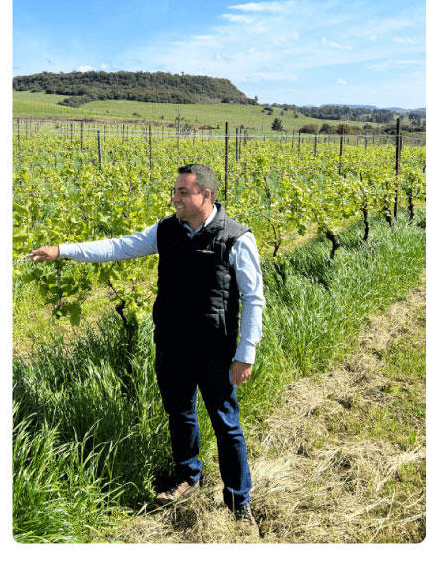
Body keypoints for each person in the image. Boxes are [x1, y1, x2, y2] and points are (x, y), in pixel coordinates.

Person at [30, 163, 264, 532]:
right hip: (171, 344)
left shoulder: (235, 238)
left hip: (215, 350)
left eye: (183, 192)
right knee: (179, 413)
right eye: (175, 191)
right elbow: (118, 247)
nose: (175, 198)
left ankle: (238, 500)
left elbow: (253, 299)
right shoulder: (166, 231)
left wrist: (245, 354)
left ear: (206, 195)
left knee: (226, 424)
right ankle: (188, 478)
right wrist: (63, 250)